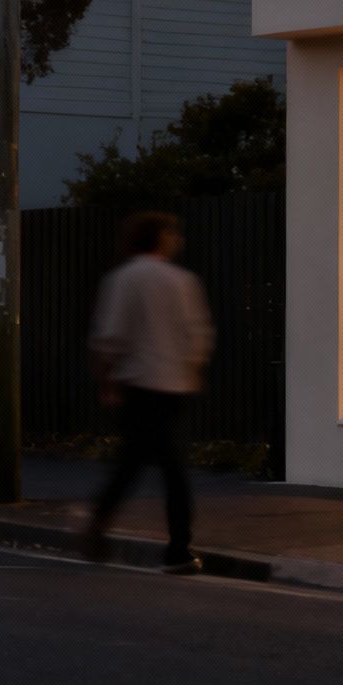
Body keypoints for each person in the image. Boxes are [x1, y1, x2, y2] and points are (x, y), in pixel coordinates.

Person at [85, 211, 215, 574]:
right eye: (172, 234)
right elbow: (198, 335)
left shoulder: (123, 279)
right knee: (172, 469)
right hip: (174, 387)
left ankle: (100, 519)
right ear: (160, 239)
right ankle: (177, 548)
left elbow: (110, 337)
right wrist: (193, 371)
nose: (177, 240)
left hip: (139, 386)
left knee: (134, 461)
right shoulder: (183, 281)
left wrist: (107, 381)